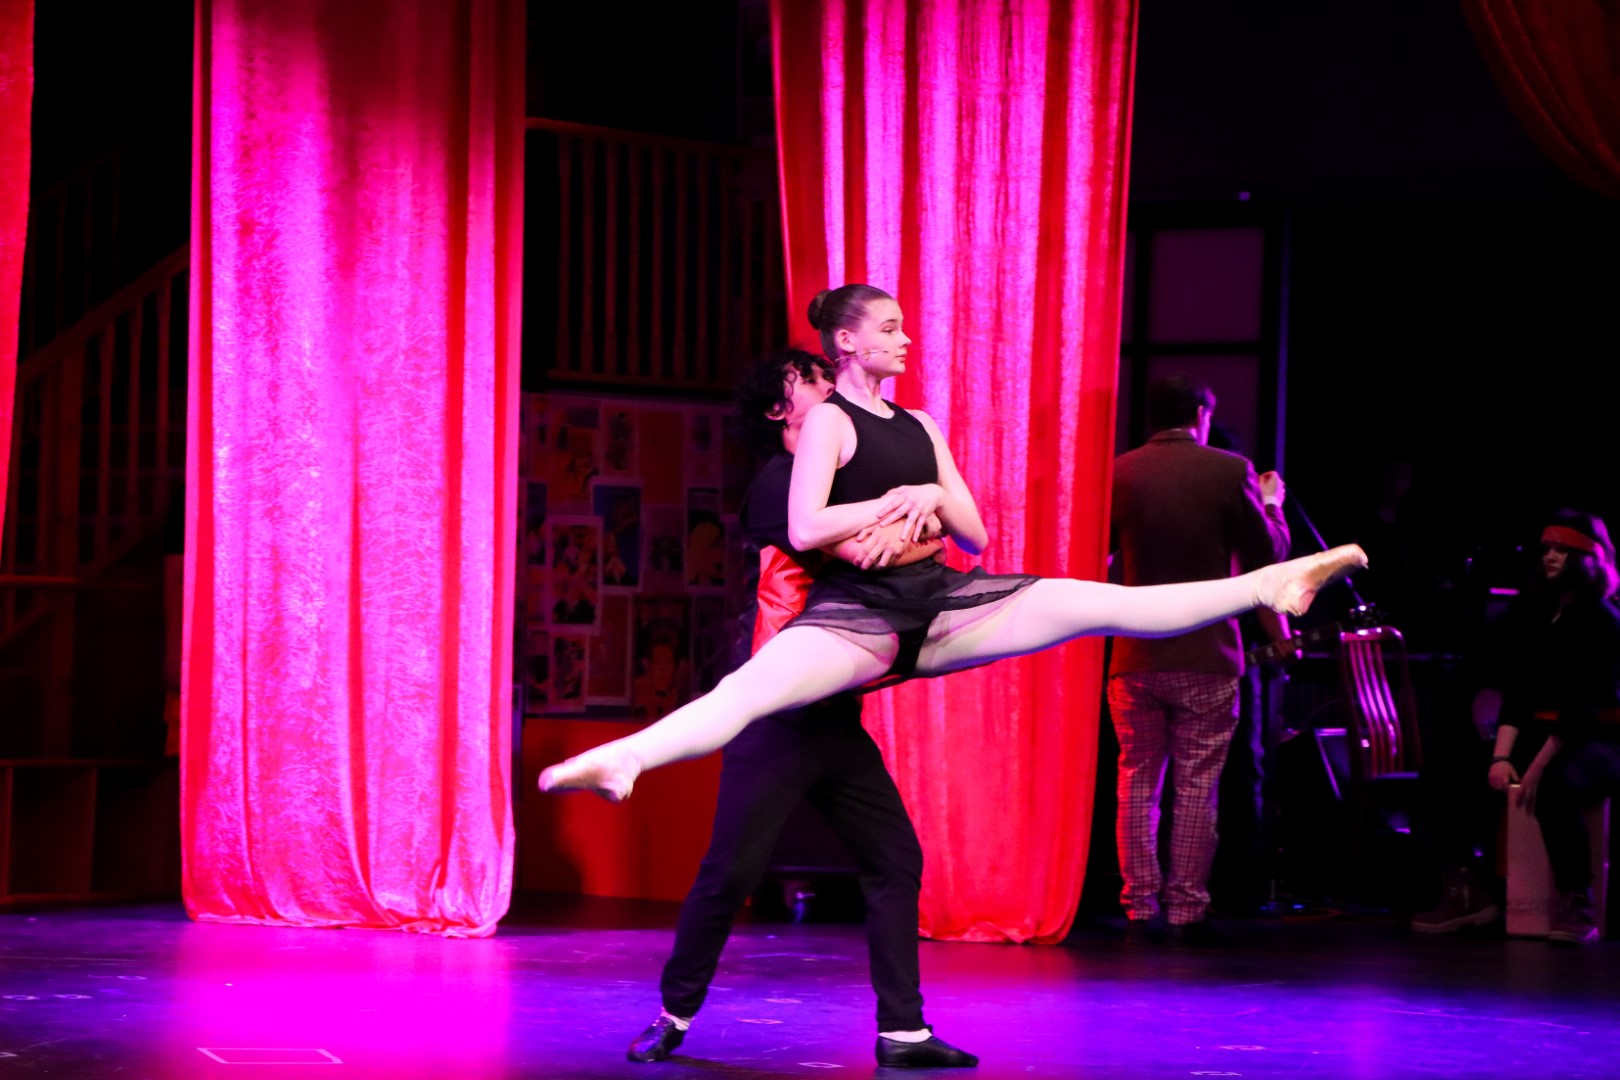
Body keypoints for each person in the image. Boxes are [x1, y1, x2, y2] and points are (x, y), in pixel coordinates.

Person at [538, 283, 1367, 806]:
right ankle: (628, 759)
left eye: (903, 329)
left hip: (940, 604)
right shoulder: (829, 422)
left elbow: (974, 533)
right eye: (889, 329)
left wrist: (931, 493)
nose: (905, 340)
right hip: (856, 619)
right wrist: (881, 508)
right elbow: (804, 528)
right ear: (848, 343)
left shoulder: (921, 424)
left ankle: (1268, 585)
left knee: (1100, 603)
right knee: (747, 692)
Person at [627, 348, 975, 1069]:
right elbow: (870, 554)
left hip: (834, 718)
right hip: (778, 718)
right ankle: (673, 1014)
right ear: (779, 411)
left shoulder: (833, 479)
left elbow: (909, 542)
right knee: (732, 872)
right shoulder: (782, 485)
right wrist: (925, 515)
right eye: (811, 382)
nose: (828, 388)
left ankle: (904, 1032)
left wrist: (927, 507)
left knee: (895, 859)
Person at [1107, 374, 1293, 943]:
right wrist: (1271, 503)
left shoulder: (1118, 471)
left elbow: (1096, 554)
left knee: (1136, 781)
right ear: (1200, 415)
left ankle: (1139, 904)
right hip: (1206, 653)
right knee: (1195, 786)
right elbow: (1269, 556)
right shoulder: (1229, 470)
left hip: (1134, 651)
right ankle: (1186, 907)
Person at [1416, 510, 1620, 945]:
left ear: (1587, 559)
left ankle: (1577, 898)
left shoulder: (1602, 620)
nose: (1551, 557)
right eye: (1547, 549)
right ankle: (1467, 889)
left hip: (1597, 739)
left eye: (1562, 550)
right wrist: (1501, 756)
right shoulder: (1536, 616)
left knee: (1556, 783)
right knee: (1446, 769)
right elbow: (1520, 692)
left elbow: (1580, 709)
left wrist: (1535, 768)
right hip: (1542, 734)